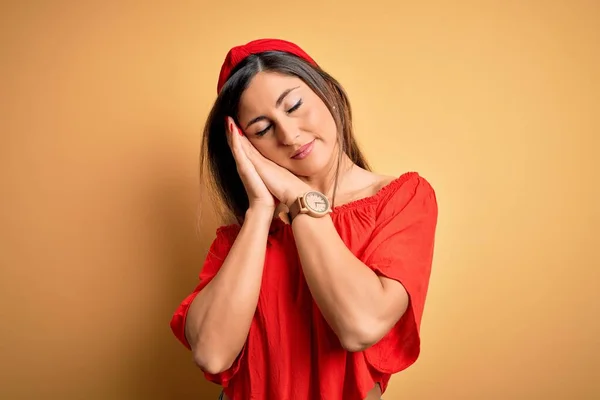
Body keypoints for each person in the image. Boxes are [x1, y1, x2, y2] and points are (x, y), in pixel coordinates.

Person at [170, 38, 438, 400]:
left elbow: (360, 324)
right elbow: (212, 354)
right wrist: (262, 209)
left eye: (294, 106)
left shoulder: (401, 200)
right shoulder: (243, 237)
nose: (289, 134)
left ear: (325, 90)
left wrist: (299, 199)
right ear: (245, 149)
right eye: (262, 129)